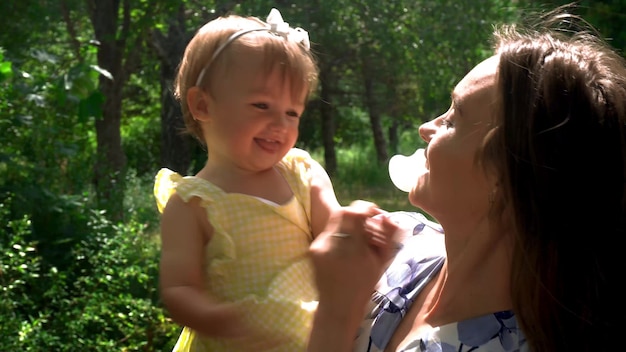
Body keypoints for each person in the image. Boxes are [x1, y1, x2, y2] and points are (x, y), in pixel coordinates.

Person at [308, 5, 625, 352]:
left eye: (453, 119)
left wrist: (335, 314)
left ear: (502, 180)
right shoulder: (397, 242)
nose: (426, 128)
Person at [153, 8, 341, 352]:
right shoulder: (192, 203)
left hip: (308, 336)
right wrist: (222, 319)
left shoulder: (300, 172)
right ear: (203, 105)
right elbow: (180, 289)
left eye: (292, 112)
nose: (281, 124)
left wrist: (357, 232)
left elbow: (335, 230)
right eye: (261, 105)